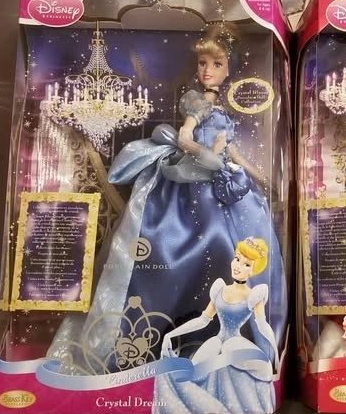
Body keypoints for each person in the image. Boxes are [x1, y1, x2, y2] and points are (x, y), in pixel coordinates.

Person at [46, 23, 285, 375]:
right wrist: (206, 156)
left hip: (219, 183)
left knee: (242, 245)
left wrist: (256, 174)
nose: (207, 71)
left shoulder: (221, 106)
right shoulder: (195, 102)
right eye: (203, 63)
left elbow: (229, 149)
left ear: (228, 69)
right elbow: (186, 139)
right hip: (191, 189)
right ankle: (155, 339)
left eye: (216, 65)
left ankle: (229, 342)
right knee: (193, 248)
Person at [153, 237, 278, 414]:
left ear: (253, 270)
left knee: (231, 351)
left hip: (235, 344)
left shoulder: (253, 295)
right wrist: (171, 334)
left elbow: (262, 325)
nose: (238, 266)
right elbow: (203, 320)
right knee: (193, 373)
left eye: (246, 264)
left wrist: (275, 354)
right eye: (237, 259)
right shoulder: (220, 289)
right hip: (217, 341)